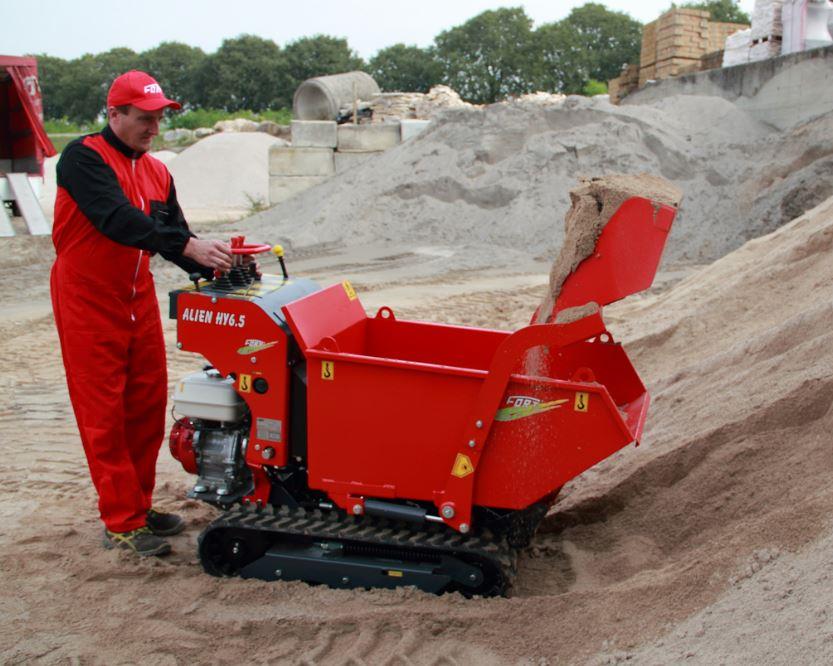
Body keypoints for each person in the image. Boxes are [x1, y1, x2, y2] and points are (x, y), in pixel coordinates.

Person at [50, 71, 232, 557]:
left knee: (147, 407)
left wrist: (210, 268)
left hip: (137, 297)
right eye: (144, 118)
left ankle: (139, 503)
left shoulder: (157, 172)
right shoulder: (83, 158)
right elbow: (118, 221)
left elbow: (172, 232)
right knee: (104, 412)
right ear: (114, 114)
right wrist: (186, 244)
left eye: (159, 119)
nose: (153, 129)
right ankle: (122, 520)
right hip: (87, 298)